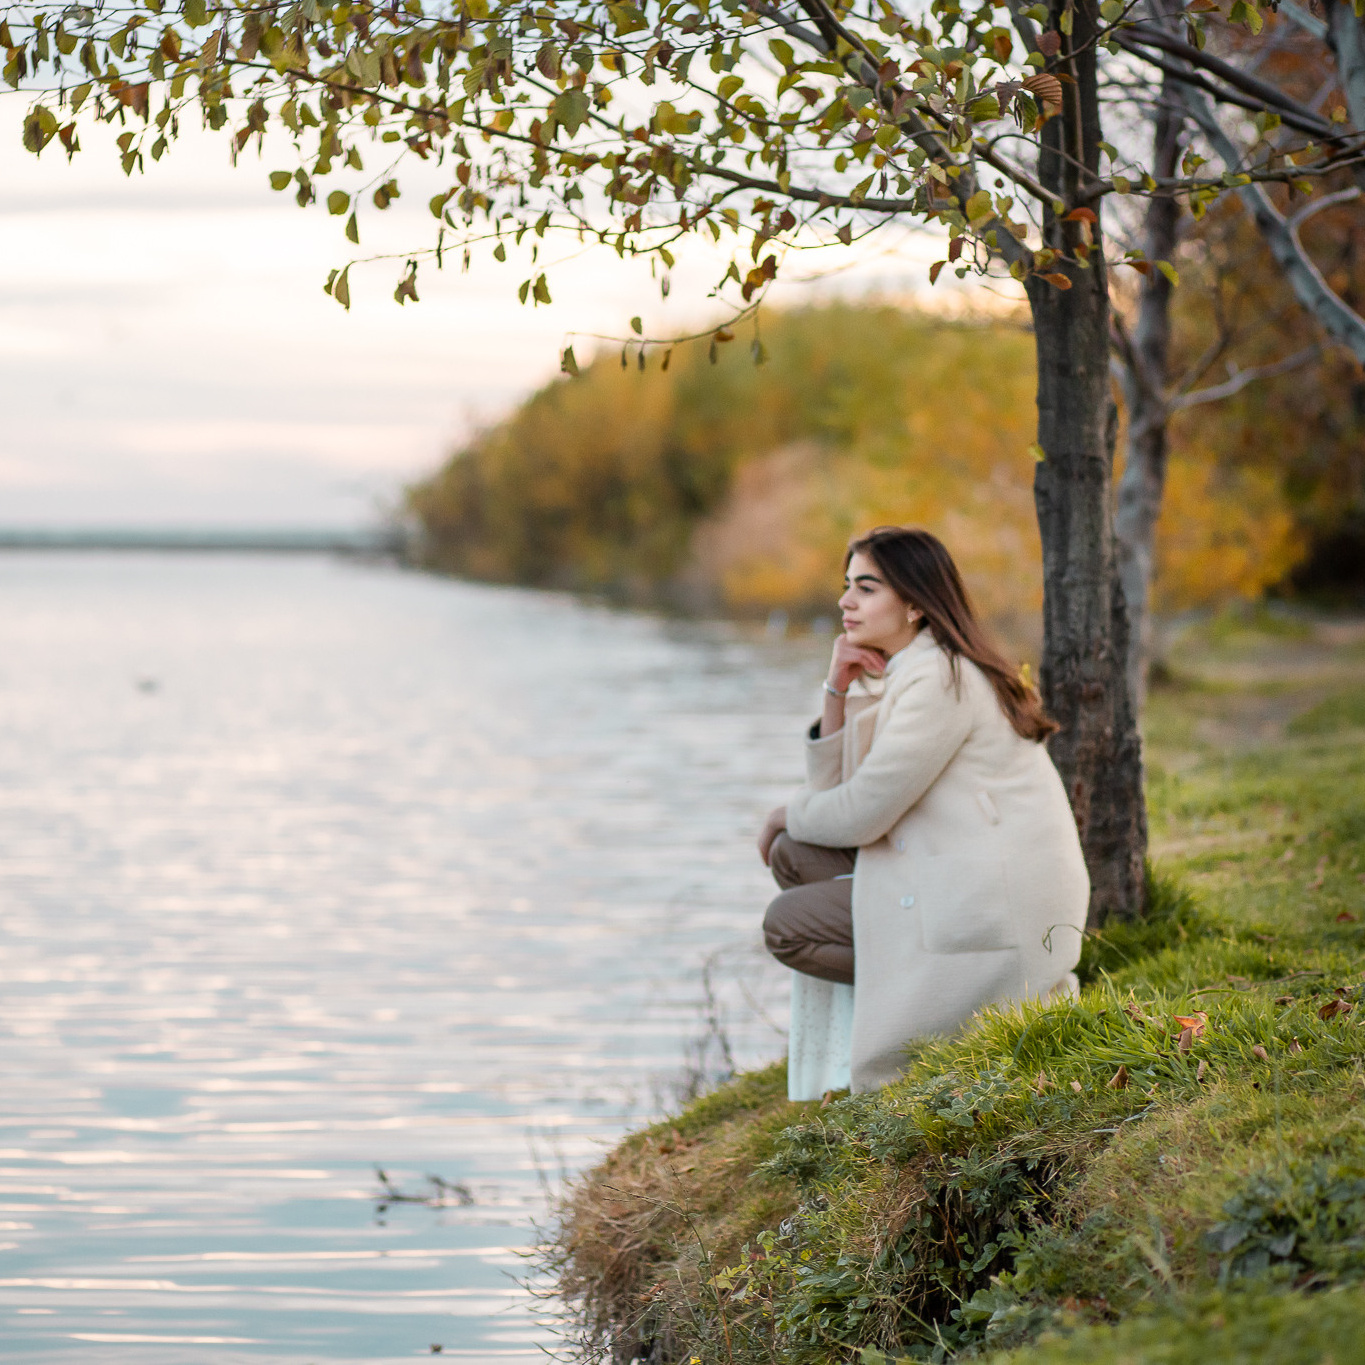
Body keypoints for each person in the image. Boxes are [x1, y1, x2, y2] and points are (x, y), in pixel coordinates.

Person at [757, 526, 1090, 1093]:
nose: (845, 602)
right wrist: (836, 688)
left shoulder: (941, 680)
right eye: (847, 587)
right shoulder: (917, 669)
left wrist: (784, 812)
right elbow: (844, 789)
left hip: (996, 910)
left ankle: (938, 1006)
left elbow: (862, 813)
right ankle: (904, 989)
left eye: (866, 588)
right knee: (796, 855)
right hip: (955, 875)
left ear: (913, 603)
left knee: (786, 925)